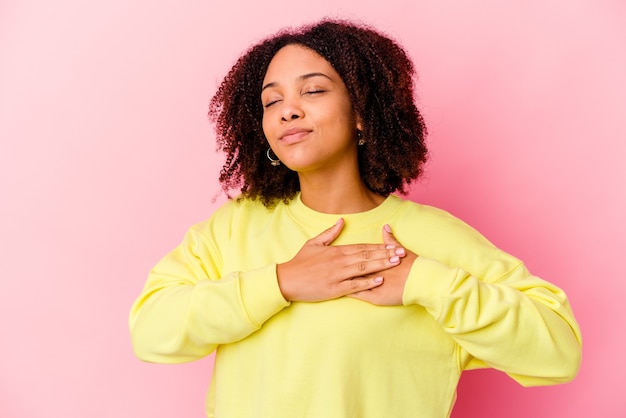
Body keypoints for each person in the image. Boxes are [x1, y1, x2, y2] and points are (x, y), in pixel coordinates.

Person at [129, 19, 582, 418]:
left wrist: (426, 283)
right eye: (271, 101)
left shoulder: (433, 236)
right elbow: (150, 332)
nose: (288, 109)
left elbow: (559, 352)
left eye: (314, 90)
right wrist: (281, 282)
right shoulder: (232, 229)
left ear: (363, 113)